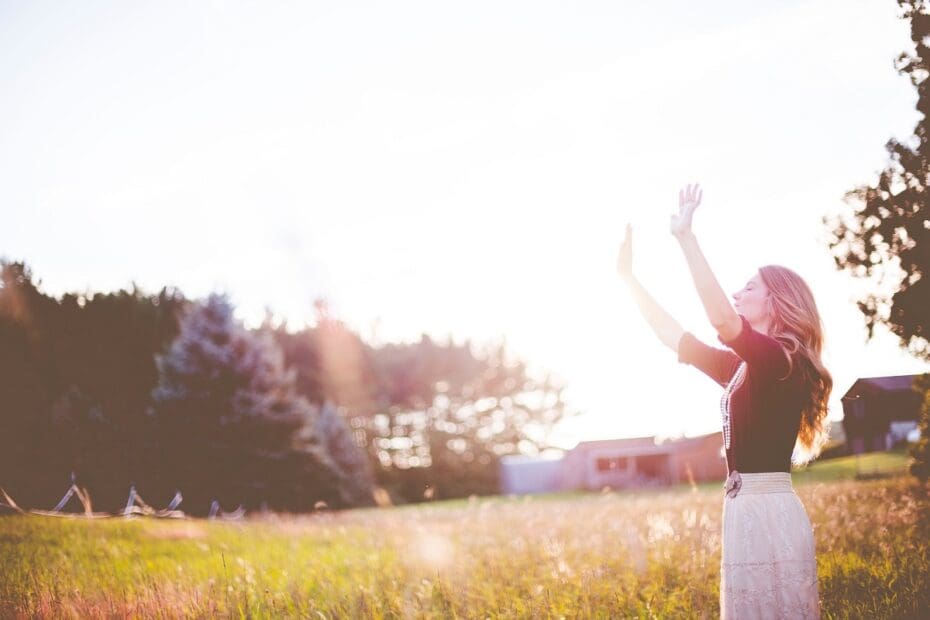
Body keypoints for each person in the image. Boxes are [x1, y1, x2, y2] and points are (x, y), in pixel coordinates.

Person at [616, 183, 831, 619]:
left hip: (769, 514)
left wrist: (687, 239)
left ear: (777, 301)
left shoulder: (781, 360)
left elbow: (720, 319)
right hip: (743, 512)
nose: (737, 294)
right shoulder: (744, 367)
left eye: (748, 288)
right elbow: (674, 336)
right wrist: (629, 281)